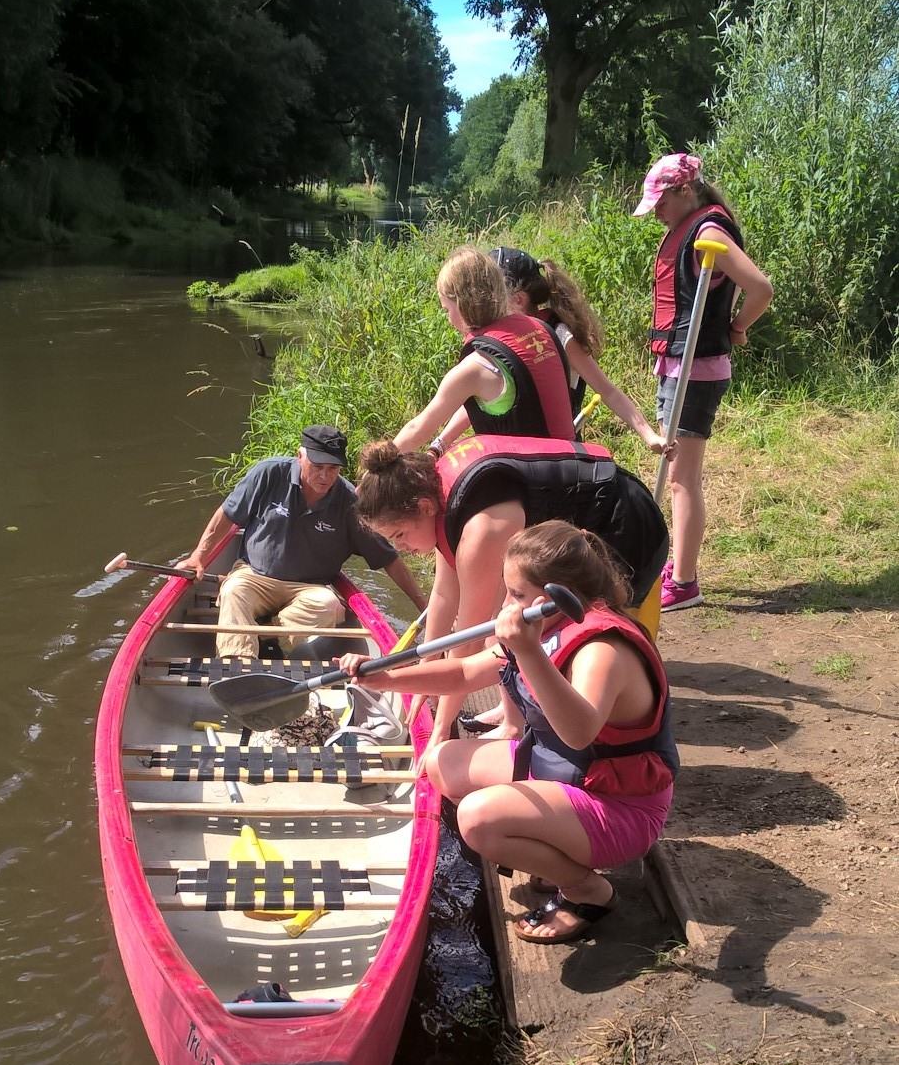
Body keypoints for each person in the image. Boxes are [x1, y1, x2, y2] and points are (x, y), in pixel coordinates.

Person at [338, 520, 677, 945]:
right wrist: (382, 678)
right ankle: (556, 850)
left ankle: (587, 890)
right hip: (566, 772)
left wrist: (526, 649)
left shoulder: (602, 651)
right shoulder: (549, 626)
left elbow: (578, 733)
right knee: (444, 763)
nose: (505, 606)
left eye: (516, 595)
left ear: (551, 598)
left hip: (620, 805)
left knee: (477, 819)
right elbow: (465, 672)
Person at [353, 433, 668, 754]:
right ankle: (512, 717)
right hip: (580, 527)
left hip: (625, 522)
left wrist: (442, 727)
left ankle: (608, 734)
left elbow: (468, 639)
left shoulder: (480, 529)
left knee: (582, 634)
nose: (401, 547)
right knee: (506, 614)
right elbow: (444, 596)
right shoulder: (435, 498)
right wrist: (425, 673)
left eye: (400, 535)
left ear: (424, 508)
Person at [633, 153, 773, 611]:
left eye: (660, 203)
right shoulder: (690, 227)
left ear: (684, 191)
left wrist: (738, 328)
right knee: (680, 475)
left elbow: (761, 288)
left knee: (681, 479)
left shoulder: (708, 232)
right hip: (679, 366)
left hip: (697, 369)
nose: (657, 212)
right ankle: (680, 567)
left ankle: (685, 582)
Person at [176, 424, 426, 660]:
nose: (325, 476)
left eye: (333, 468)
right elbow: (227, 515)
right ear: (299, 456)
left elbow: (388, 558)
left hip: (309, 588)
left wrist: (424, 605)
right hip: (254, 576)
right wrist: (198, 557)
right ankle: (237, 661)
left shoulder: (350, 502)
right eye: (317, 466)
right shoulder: (269, 473)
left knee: (330, 605)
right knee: (233, 590)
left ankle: (268, 642)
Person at [392, 246, 575, 454]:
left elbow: (417, 430)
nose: (449, 319)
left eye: (447, 309)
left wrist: (377, 466)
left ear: (463, 305)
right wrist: (440, 445)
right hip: (570, 462)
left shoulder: (475, 368)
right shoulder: (539, 328)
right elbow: (494, 396)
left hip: (533, 472)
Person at [491, 246, 669, 457]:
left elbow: (608, 391)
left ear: (519, 299)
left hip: (557, 456)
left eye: (492, 297)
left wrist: (649, 435)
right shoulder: (499, 339)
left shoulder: (558, 335)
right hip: (516, 453)